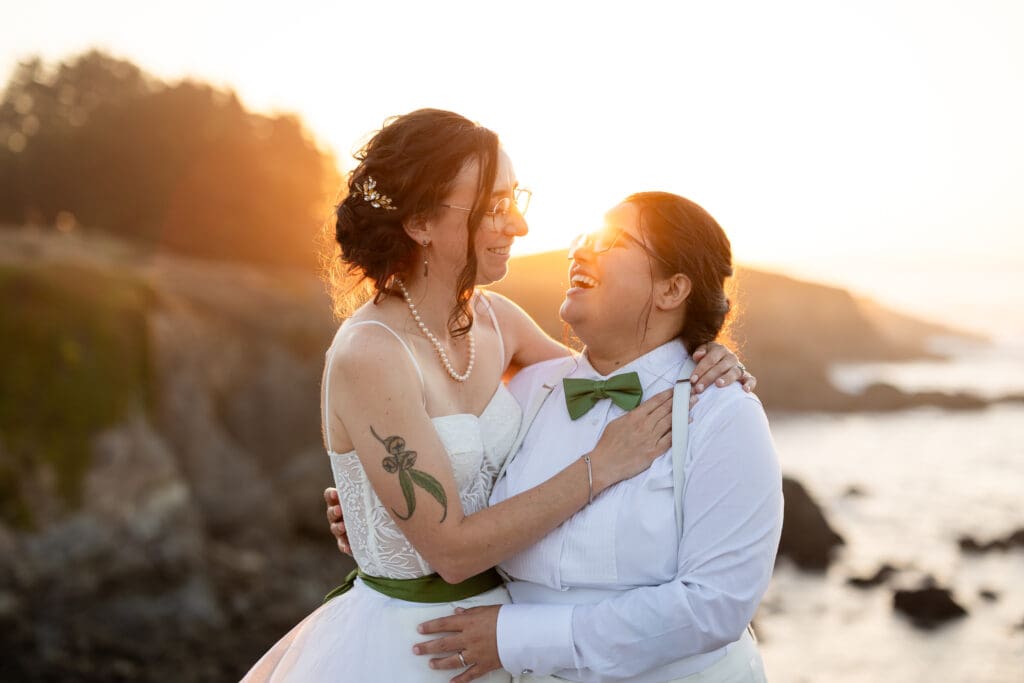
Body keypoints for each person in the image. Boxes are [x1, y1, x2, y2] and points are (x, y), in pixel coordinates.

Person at [245, 110, 750, 682]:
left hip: (508, 637)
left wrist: (703, 354)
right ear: (420, 222)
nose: (520, 226)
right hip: (415, 644)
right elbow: (451, 552)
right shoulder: (371, 354)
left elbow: (606, 384)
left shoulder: (498, 321)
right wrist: (600, 466)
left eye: (516, 200)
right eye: (494, 207)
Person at [405, 192, 782, 683]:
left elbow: (714, 606)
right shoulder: (528, 390)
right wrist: (382, 508)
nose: (578, 250)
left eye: (609, 242)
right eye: (583, 238)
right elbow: (459, 504)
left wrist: (517, 638)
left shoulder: (722, 413)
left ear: (671, 290)